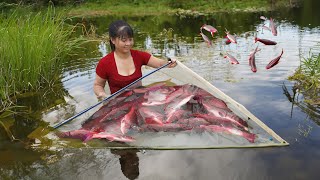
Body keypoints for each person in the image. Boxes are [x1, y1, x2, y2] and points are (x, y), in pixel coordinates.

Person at [94, 20, 177, 100]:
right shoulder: (104, 63)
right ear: (113, 40)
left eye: (130, 39)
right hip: (119, 103)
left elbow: (159, 64)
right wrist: (101, 94)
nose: (128, 43)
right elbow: (98, 85)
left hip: (140, 98)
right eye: (124, 40)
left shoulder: (139, 56)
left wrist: (169, 62)